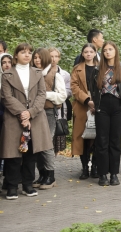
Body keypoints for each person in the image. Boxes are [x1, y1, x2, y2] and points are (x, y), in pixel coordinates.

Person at [0, 43, 52, 200]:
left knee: (30, 153)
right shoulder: (7, 75)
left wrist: (30, 113)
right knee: (14, 155)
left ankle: (28, 185)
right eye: (23, 52)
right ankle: (12, 186)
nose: (27, 55)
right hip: (14, 118)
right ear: (16, 55)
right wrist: (22, 114)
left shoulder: (37, 73)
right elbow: (6, 97)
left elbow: (42, 95)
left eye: (29, 52)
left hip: (35, 118)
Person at [88, 41, 121, 186]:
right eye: (105, 50)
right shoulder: (96, 70)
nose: (107, 52)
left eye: (110, 49)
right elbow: (93, 89)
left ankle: (114, 174)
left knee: (115, 140)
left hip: (118, 106)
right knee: (102, 141)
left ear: (115, 51)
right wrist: (95, 104)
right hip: (102, 106)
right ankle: (102, 174)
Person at [30, 48, 66, 190]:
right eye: (35, 58)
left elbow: (61, 97)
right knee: (37, 145)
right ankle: (42, 174)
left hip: (49, 111)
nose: (37, 60)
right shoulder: (31, 74)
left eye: (40, 58)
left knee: (46, 144)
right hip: (34, 113)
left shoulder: (55, 74)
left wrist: (44, 94)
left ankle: (51, 176)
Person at [70, 43, 98, 180]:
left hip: (98, 106)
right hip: (82, 106)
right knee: (83, 138)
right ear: (82, 54)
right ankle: (84, 167)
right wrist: (87, 100)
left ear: (95, 53)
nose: (88, 54)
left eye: (90, 51)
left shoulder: (101, 67)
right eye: (85, 51)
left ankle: (95, 167)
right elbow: (74, 87)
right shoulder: (77, 69)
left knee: (97, 138)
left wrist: (96, 101)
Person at [48, 47, 71, 154]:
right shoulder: (43, 72)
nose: (53, 59)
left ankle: (52, 164)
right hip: (47, 107)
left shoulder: (65, 74)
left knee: (57, 137)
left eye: (56, 56)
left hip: (60, 108)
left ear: (59, 58)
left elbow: (69, 90)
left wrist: (59, 97)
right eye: (51, 56)